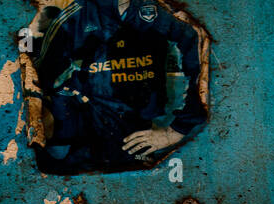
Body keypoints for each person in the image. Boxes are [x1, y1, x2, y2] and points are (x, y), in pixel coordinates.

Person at [32, 0, 208, 173]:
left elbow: (197, 47)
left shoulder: (159, 11)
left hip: (140, 137)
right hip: (86, 140)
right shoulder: (75, 17)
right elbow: (40, 78)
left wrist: (178, 129)